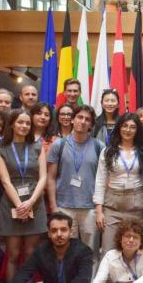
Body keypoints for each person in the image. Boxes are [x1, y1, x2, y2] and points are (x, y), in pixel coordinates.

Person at [0, 108, 48, 283]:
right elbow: (5, 181)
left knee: (31, 254)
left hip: (35, 202)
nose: (24, 126)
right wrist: (19, 205)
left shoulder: (37, 147)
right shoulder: (1, 150)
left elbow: (43, 178)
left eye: (27, 123)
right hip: (11, 205)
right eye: (20, 122)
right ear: (12, 125)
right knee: (14, 256)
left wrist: (30, 203)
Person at [46, 104, 104, 252]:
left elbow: (104, 180)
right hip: (64, 206)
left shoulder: (99, 146)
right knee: (64, 251)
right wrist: (53, 207)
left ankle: (89, 277)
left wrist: (99, 209)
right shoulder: (58, 144)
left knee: (90, 252)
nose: (83, 121)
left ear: (91, 124)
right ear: (72, 120)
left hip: (90, 208)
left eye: (87, 119)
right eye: (79, 117)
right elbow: (50, 177)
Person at [94, 113, 143, 257]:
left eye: (132, 127)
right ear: (119, 128)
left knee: (135, 249)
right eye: (124, 126)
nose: (128, 130)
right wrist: (99, 211)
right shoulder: (107, 152)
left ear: (137, 130)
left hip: (137, 204)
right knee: (108, 250)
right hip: (112, 206)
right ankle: (109, 279)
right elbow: (100, 181)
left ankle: (134, 279)